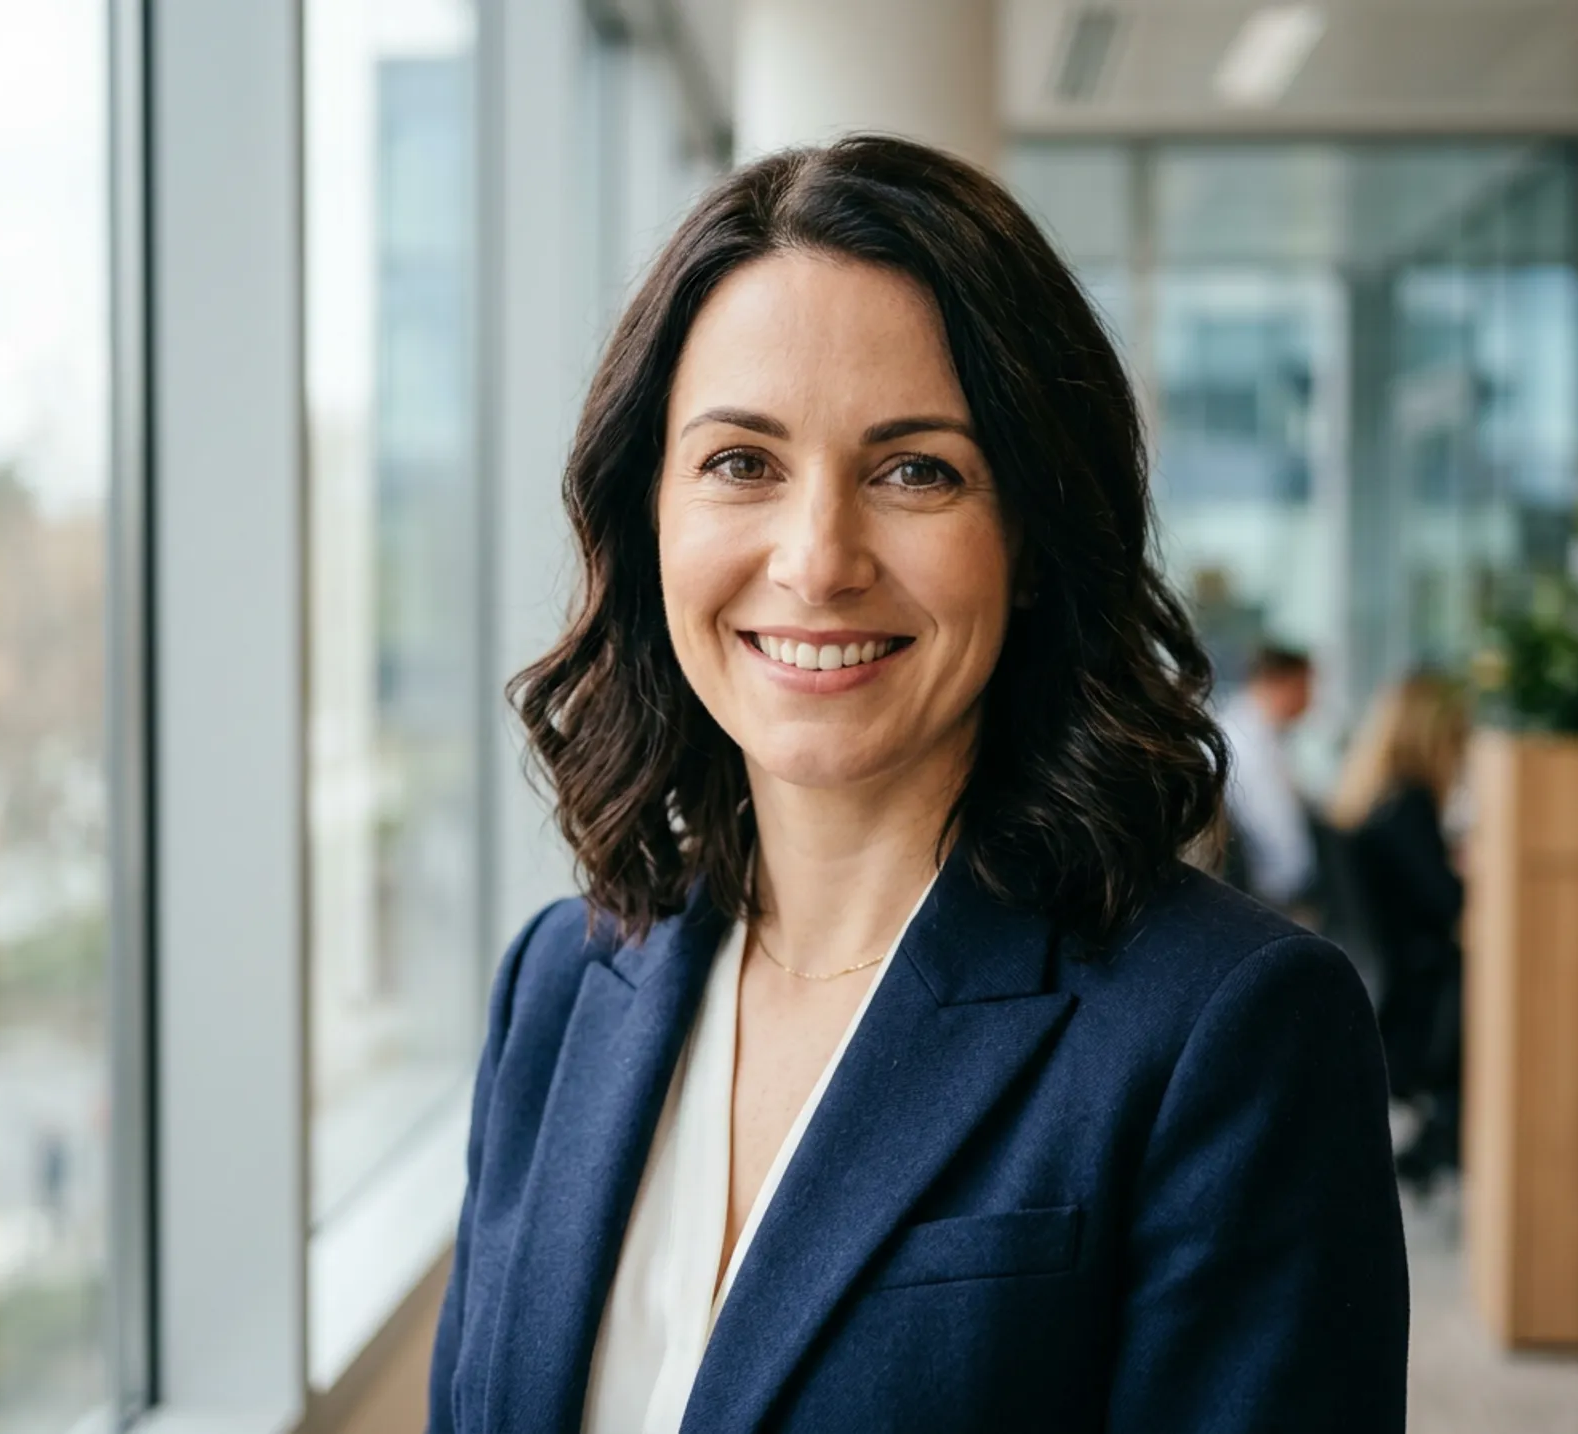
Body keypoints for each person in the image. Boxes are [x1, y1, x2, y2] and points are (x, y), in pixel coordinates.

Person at [427, 136, 1406, 1434]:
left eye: (915, 470)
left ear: (1035, 535)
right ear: (645, 511)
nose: (818, 557)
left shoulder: (1228, 1032)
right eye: (742, 461)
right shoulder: (560, 984)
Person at [1332, 670, 1470, 1189]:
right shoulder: (1410, 807)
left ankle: (1438, 1145)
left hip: (1395, 999)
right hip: (1422, 1009)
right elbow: (1450, 904)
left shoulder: (1375, 802)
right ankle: (1441, 1144)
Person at [1216, 645, 1319, 909]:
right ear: (1277, 683)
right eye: (1305, 687)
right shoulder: (1248, 746)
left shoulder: (1259, 737)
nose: (1311, 700)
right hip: (1269, 900)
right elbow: (1288, 856)